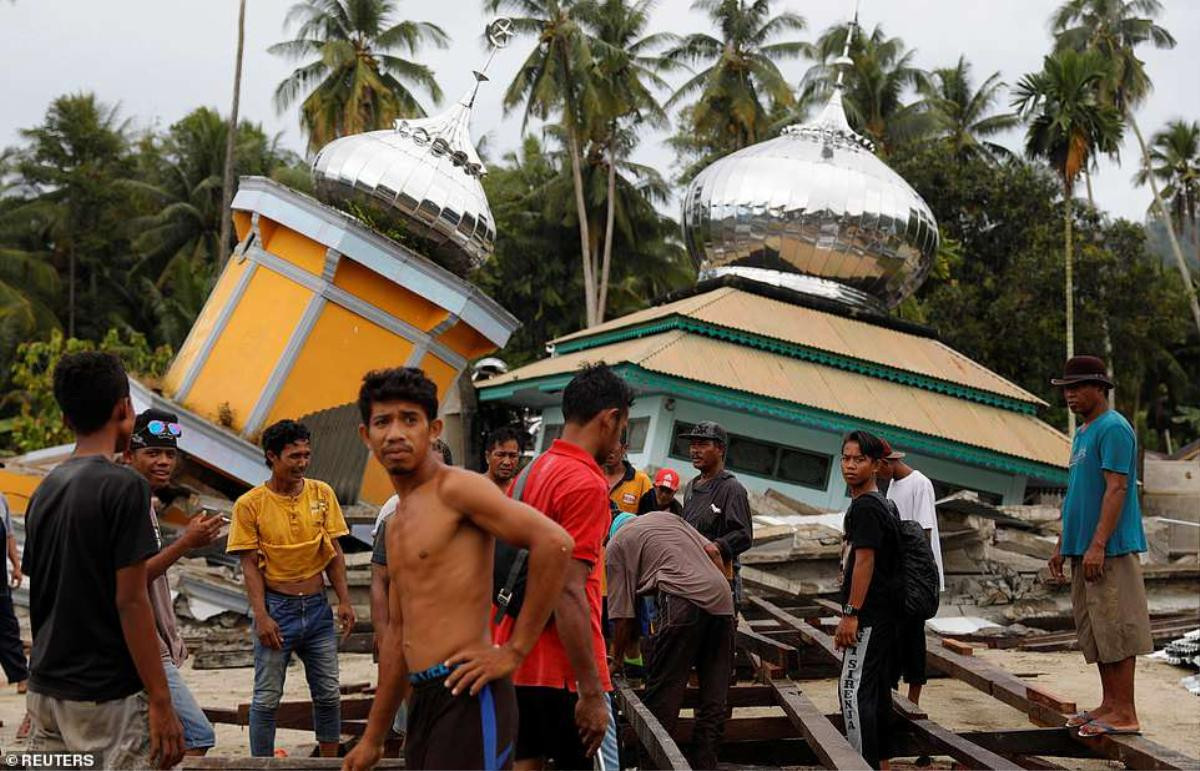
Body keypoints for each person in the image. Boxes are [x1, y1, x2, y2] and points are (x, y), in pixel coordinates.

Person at [342, 367, 573, 771]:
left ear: (432, 430)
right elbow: (398, 633)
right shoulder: (397, 522)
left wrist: (514, 651)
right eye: (383, 421)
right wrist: (374, 738)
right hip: (424, 699)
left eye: (409, 420)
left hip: (470, 693)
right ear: (366, 435)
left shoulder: (457, 489)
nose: (395, 433)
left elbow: (555, 543)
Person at [21, 351, 184, 769]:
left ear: (64, 420)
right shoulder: (125, 486)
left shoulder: (45, 490)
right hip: (106, 698)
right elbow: (131, 601)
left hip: (48, 692)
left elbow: (41, 596)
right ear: (124, 409)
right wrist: (162, 701)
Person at [493, 363, 631, 771]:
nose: (621, 438)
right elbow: (569, 590)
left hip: (517, 662)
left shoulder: (530, 472)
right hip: (565, 669)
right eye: (623, 426)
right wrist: (591, 691)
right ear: (609, 419)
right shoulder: (585, 482)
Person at [227, 419, 356, 758]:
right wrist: (261, 616)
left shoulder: (322, 494)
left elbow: (334, 554)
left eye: (306, 455)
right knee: (267, 698)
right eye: (294, 456)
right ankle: (262, 764)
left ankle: (328, 763)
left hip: (317, 608)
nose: (302, 463)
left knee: (328, 694)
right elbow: (249, 566)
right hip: (277, 609)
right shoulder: (250, 504)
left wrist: (344, 600)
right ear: (272, 456)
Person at [1049, 356, 1153, 738]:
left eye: (1076, 388)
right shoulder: (1083, 433)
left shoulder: (1114, 428)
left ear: (1099, 388)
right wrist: (1063, 542)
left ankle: (1125, 712)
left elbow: (1117, 488)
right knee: (1098, 631)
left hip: (1108, 549)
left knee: (1119, 628)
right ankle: (1110, 704)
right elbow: (1078, 492)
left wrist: (1098, 544)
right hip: (1083, 548)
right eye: (1065, 390)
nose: (1070, 396)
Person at [123, 409, 223, 756]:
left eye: (169, 454)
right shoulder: (129, 499)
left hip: (150, 643)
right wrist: (186, 543)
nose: (164, 462)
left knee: (152, 744)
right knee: (196, 735)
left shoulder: (145, 501)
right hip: (141, 644)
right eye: (153, 453)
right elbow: (134, 579)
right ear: (129, 454)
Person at [607, 511, 735, 769]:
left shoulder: (617, 544)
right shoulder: (668, 519)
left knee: (662, 697)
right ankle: (705, 764)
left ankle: (652, 767)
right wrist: (727, 603)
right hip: (722, 602)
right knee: (714, 701)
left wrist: (615, 660)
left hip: (681, 602)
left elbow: (622, 616)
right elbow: (713, 551)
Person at [835, 430, 901, 770]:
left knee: (851, 692)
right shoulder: (882, 504)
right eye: (845, 458)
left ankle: (860, 765)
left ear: (876, 465)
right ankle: (882, 763)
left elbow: (865, 560)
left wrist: (851, 613)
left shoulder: (866, 508)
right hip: (882, 616)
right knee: (874, 694)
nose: (849, 465)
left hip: (868, 617)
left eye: (858, 459)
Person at [875, 439, 942, 709]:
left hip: (917, 574)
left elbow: (924, 532)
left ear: (887, 463)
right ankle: (891, 694)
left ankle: (914, 699)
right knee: (894, 636)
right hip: (900, 574)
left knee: (914, 637)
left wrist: (917, 576)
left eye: (879, 469)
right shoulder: (892, 485)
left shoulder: (920, 483)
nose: (878, 475)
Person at [678, 422, 752, 601]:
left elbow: (744, 535)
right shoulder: (691, 486)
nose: (695, 450)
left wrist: (716, 547)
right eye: (693, 445)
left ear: (720, 449)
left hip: (716, 581)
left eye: (702, 445)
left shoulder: (731, 488)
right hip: (688, 577)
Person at [0, 486, 28, 693]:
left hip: (0, 578)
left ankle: (20, 676)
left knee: (8, 627)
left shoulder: (1, 500)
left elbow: (9, 535)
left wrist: (16, 566)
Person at [604, 436, 653, 514]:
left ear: (624, 448)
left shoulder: (642, 481)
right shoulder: (590, 474)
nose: (608, 452)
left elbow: (648, 520)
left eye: (613, 448)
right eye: (605, 446)